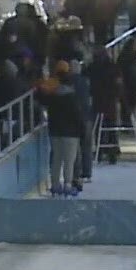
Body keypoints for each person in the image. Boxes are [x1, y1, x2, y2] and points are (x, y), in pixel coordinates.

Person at [38, 65, 84, 196]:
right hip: (71, 134)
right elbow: (78, 115)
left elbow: (43, 102)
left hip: (55, 132)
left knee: (56, 158)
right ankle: (68, 184)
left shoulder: (53, 96)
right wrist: (82, 130)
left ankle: (55, 184)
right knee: (69, 160)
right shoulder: (72, 98)